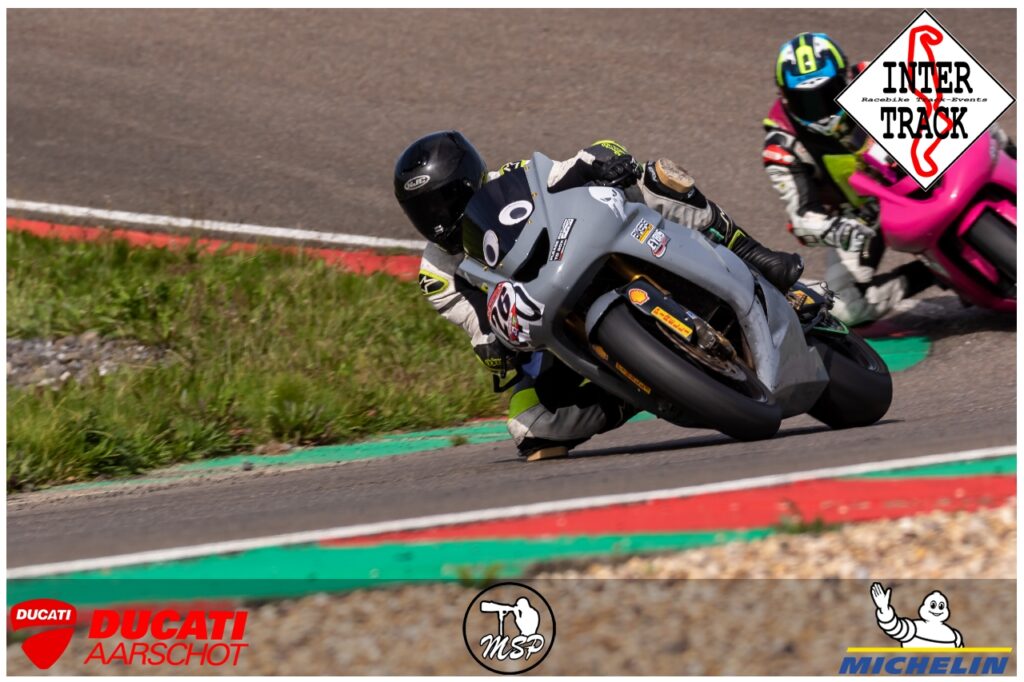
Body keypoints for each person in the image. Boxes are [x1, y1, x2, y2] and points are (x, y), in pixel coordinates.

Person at [394, 131, 803, 460]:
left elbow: (572, 165)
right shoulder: (436, 274)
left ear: (471, 179)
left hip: (581, 249)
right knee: (528, 425)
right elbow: (476, 323)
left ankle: (750, 252)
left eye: (446, 200)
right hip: (546, 326)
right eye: (425, 211)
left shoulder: (513, 178)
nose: (440, 218)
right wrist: (494, 347)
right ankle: (641, 390)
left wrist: (604, 160)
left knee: (654, 177)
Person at [763, 32, 938, 326]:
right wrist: (837, 230)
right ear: (784, 96)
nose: (820, 108)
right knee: (845, 308)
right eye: (806, 101)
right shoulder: (781, 143)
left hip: (919, 171)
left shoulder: (874, 77)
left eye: (827, 93)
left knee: (987, 133)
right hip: (861, 215)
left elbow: (947, 101)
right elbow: (802, 216)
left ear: (845, 77)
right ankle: (932, 274)